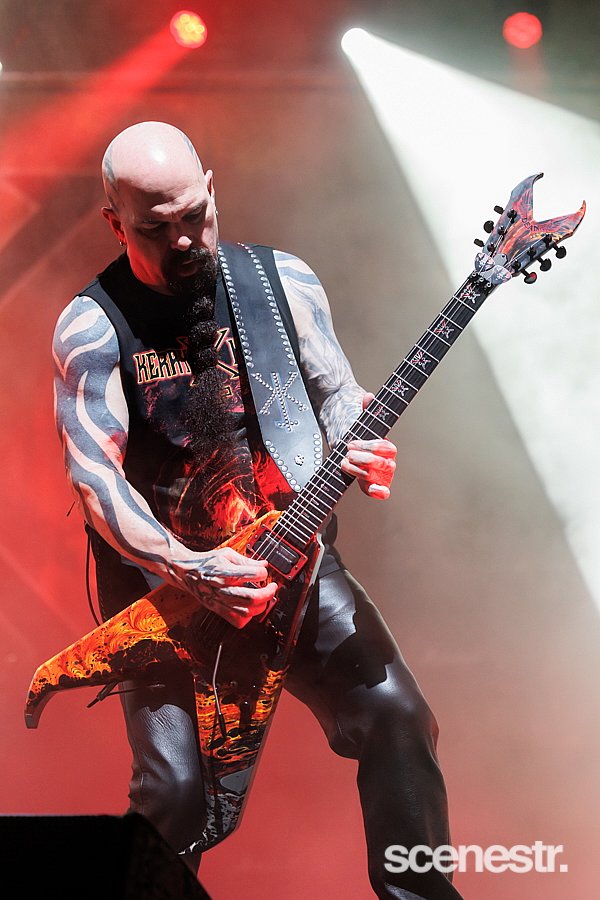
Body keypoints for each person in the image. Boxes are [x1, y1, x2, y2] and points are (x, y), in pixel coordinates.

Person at [52, 121, 462, 900]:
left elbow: (335, 393)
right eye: (156, 228)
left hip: (294, 558)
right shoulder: (93, 326)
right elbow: (94, 480)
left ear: (212, 190)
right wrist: (189, 567)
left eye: (194, 215)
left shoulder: (283, 284)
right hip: (168, 589)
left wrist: (359, 438)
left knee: (399, 719)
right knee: (176, 798)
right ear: (115, 222)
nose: (184, 240)